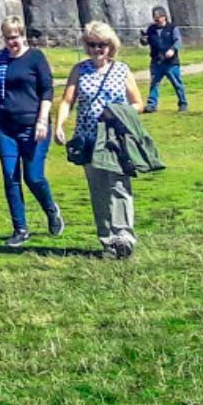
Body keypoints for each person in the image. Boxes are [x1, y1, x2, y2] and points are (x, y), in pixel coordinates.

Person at [54, 21, 144, 258]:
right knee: (98, 189)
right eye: (92, 45)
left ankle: (124, 236)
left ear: (110, 45)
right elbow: (67, 101)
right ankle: (107, 240)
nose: (97, 49)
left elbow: (138, 103)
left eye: (102, 45)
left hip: (115, 139)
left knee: (119, 185)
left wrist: (118, 112)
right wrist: (59, 124)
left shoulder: (122, 70)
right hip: (88, 139)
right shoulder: (79, 70)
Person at [0, 16, 62, 247]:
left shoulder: (35, 58)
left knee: (33, 177)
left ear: (23, 35)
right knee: (10, 177)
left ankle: (51, 210)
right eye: (8, 38)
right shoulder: (0, 59)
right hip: (5, 126)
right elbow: (0, 90)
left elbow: (47, 91)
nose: (12, 42)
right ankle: (20, 229)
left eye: (15, 37)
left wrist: (42, 121)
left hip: (33, 126)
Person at [139, 7, 187, 112]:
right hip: (156, 61)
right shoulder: (151, 29)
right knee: (154, 83)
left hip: (171, 62)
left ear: (164, 16)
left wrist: (173, 50)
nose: (156, 20)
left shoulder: (172, 28)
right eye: (154, 18)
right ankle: (152, 105)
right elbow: (146, 42)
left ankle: (183, 103)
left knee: (177, 83)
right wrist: (143, 40)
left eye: (158, 18)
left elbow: (178, 41)